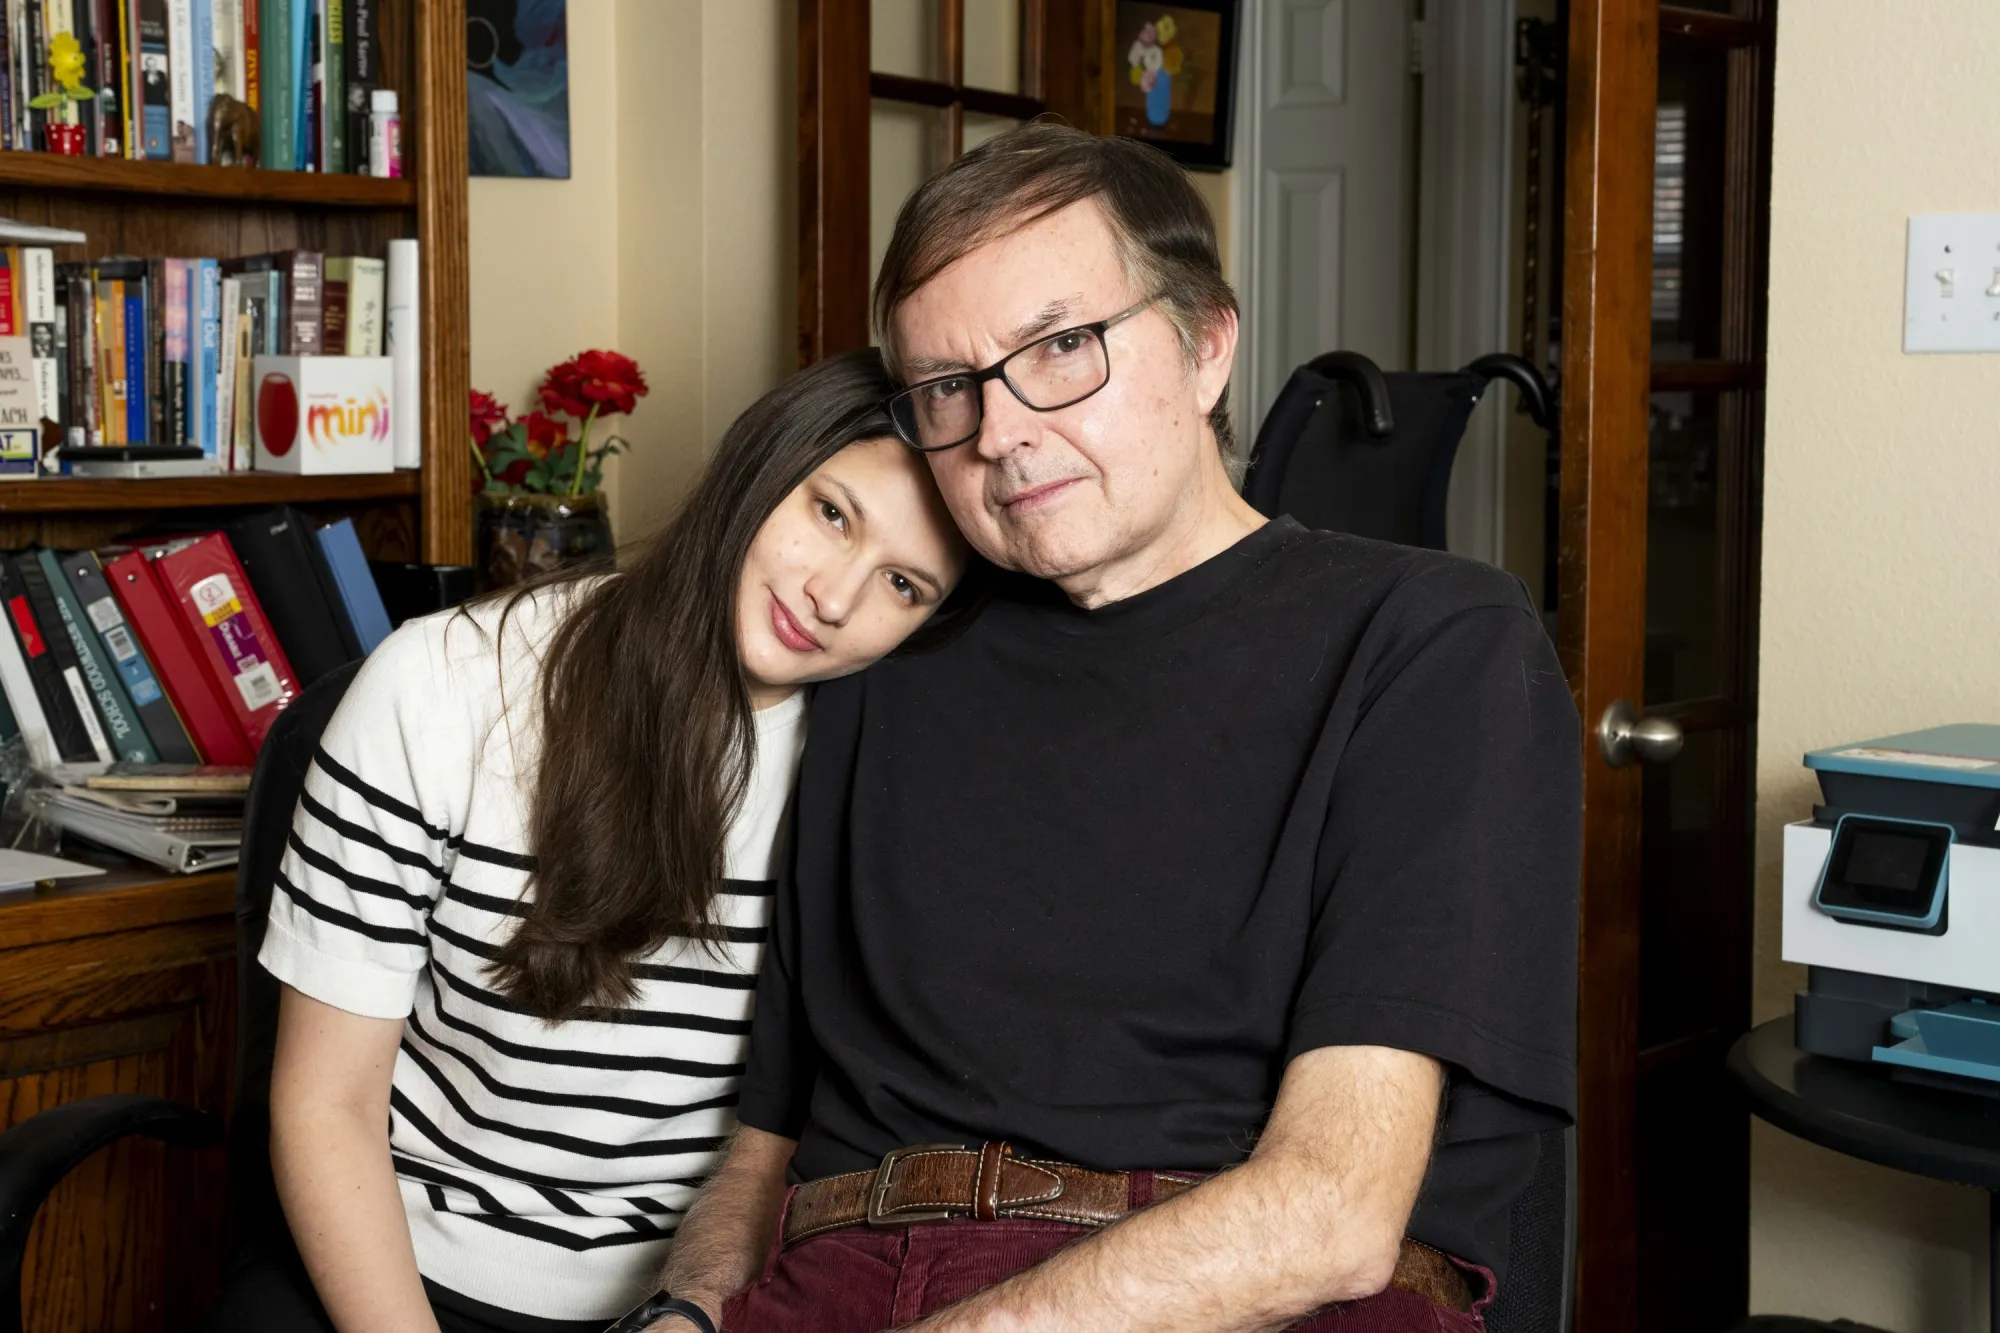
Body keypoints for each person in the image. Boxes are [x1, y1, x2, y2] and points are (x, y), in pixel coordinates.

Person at [640, 124, 1580, 1333]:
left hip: (1237, 1294)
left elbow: (1331, 1212)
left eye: (1061, 347)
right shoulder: (890, 647)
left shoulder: (1427, 641)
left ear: (1204, 345)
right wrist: (686, 1310)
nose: (1000, 431)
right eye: (946, 388)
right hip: (840, 1273)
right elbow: (766, 1143)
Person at [207, 350, 969, 1333]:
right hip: (387, 1273)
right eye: (830, 514)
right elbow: (326, 1107)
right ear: (761, 467)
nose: (832, 596)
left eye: (902, 585)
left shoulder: (881, 776)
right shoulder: (442, 686)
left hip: (690, 1303)